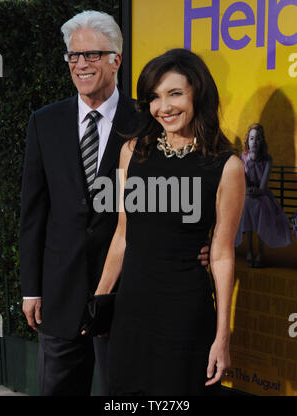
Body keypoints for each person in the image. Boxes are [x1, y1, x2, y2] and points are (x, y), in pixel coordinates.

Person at [19, 11, 209, 396]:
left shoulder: (149, 118)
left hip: (129, 294)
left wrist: (199, 241)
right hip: (61, 292)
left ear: (116, 60)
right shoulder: (45, 121)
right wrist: (31, 289)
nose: (80, 64)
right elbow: (33, 212)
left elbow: (189, 179)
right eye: (73, 56)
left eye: (91, 54)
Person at [93, 48, 246, 395]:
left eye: (175, 93)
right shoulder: (131, 151)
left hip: (184, 314)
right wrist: (100, 299)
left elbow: (222, 256)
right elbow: (122, 234)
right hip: (130, 312)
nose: (164, 107)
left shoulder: (227, 166)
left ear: (198, 93)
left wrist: (223, 337)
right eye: (154, 97)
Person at [235, 123, 292, 267]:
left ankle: (260, 251)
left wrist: (256, 191)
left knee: (260, 207)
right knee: (246, 204)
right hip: (247, 194)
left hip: (263, 195)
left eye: (258, 138)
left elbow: (263, 186)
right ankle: (249, 250)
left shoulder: (267, 160)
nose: (254, 142)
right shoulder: (243, 157)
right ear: (248, 140)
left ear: (262, 141)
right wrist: (248, 190)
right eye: (252, 138)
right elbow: (243, 181)